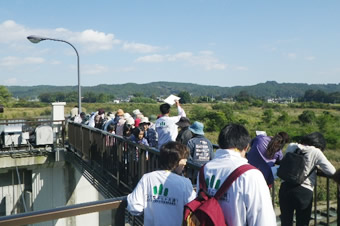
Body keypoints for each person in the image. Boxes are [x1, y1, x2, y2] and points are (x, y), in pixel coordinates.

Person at [197, 123, 276, 225]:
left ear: (220, 144)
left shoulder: (204, 169)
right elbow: (264, 220)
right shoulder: (251, 174)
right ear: (246, 147)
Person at [127, 141, 196, 226]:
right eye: (184, 162)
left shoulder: (147, 178)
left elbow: (134, 207)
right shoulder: (185, 183)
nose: (185, 164)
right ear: (178, 162)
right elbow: (194, 208)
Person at [279, 132, 336, 226]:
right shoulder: (316, 152)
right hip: (303, 191)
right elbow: (332, 171)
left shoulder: (291, 146)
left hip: (285, 188)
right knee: (302, 222)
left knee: (285, 221)